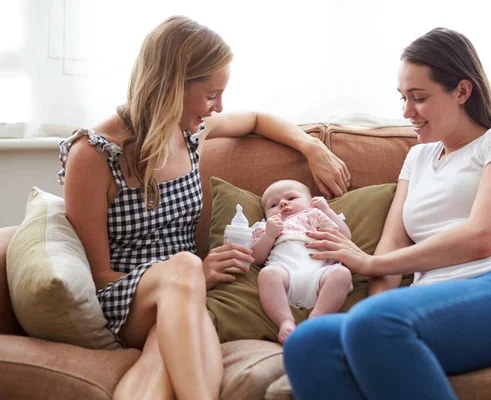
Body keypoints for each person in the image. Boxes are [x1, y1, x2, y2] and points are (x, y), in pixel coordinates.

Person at [57, 16, 351, 400]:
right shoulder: (93, 155)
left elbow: (258, 120)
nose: (219, 107)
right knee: (185, 264)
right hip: (126, 299)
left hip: (185, 300)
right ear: (170, 86)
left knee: (158, 362)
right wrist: (195, 273)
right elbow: (99, 276)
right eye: (211, 94)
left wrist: (312, 147)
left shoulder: (190, 133)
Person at [283, 27, 491, 400]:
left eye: (419, 98)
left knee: (375, 324)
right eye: (402, 98)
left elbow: (482, 237)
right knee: (308, 343)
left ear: (462, 91)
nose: (406, 112)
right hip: (430, 298)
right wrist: (374, 288)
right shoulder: (418, 157)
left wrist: (366, 265)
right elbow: (393, 244)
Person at [252, 179, 353, 344]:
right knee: (268, 274)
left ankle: (317, 318)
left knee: (341, 274)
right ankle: (285, 321)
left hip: (320, 275)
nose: (283, 204)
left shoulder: (314, 216)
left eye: (291, 198)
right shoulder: (266, 227)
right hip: (286, 275)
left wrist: (326, 210)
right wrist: (269, 235)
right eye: (273, 205)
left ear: (310, 203)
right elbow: (256, 258)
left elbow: (345, 236)